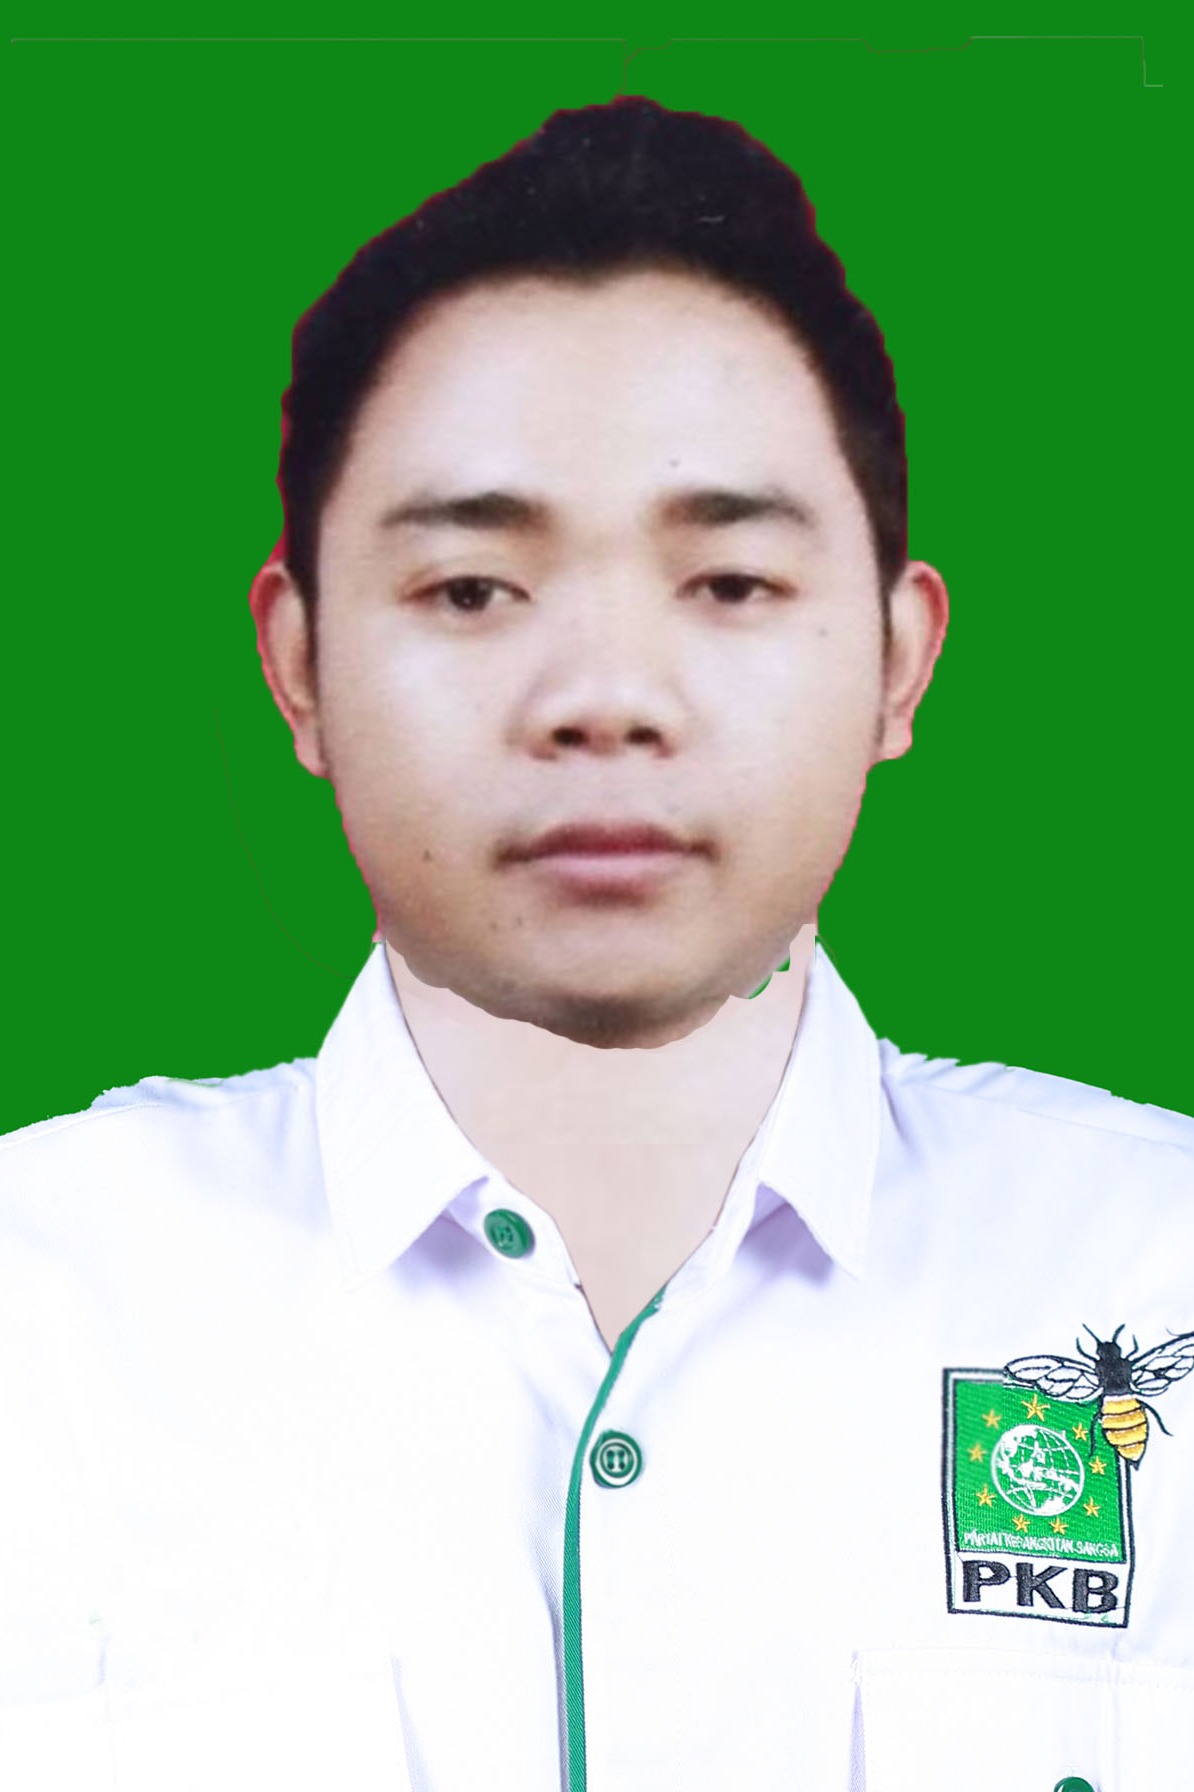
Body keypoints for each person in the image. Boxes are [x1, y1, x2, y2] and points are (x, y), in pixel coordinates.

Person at [1, 96, 1190, 1792]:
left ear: (896, 660)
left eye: (730, 584)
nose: (607, 700)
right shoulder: (36, 1312)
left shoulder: (1154, 1271)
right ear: (299, 664)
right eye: (472, 591)